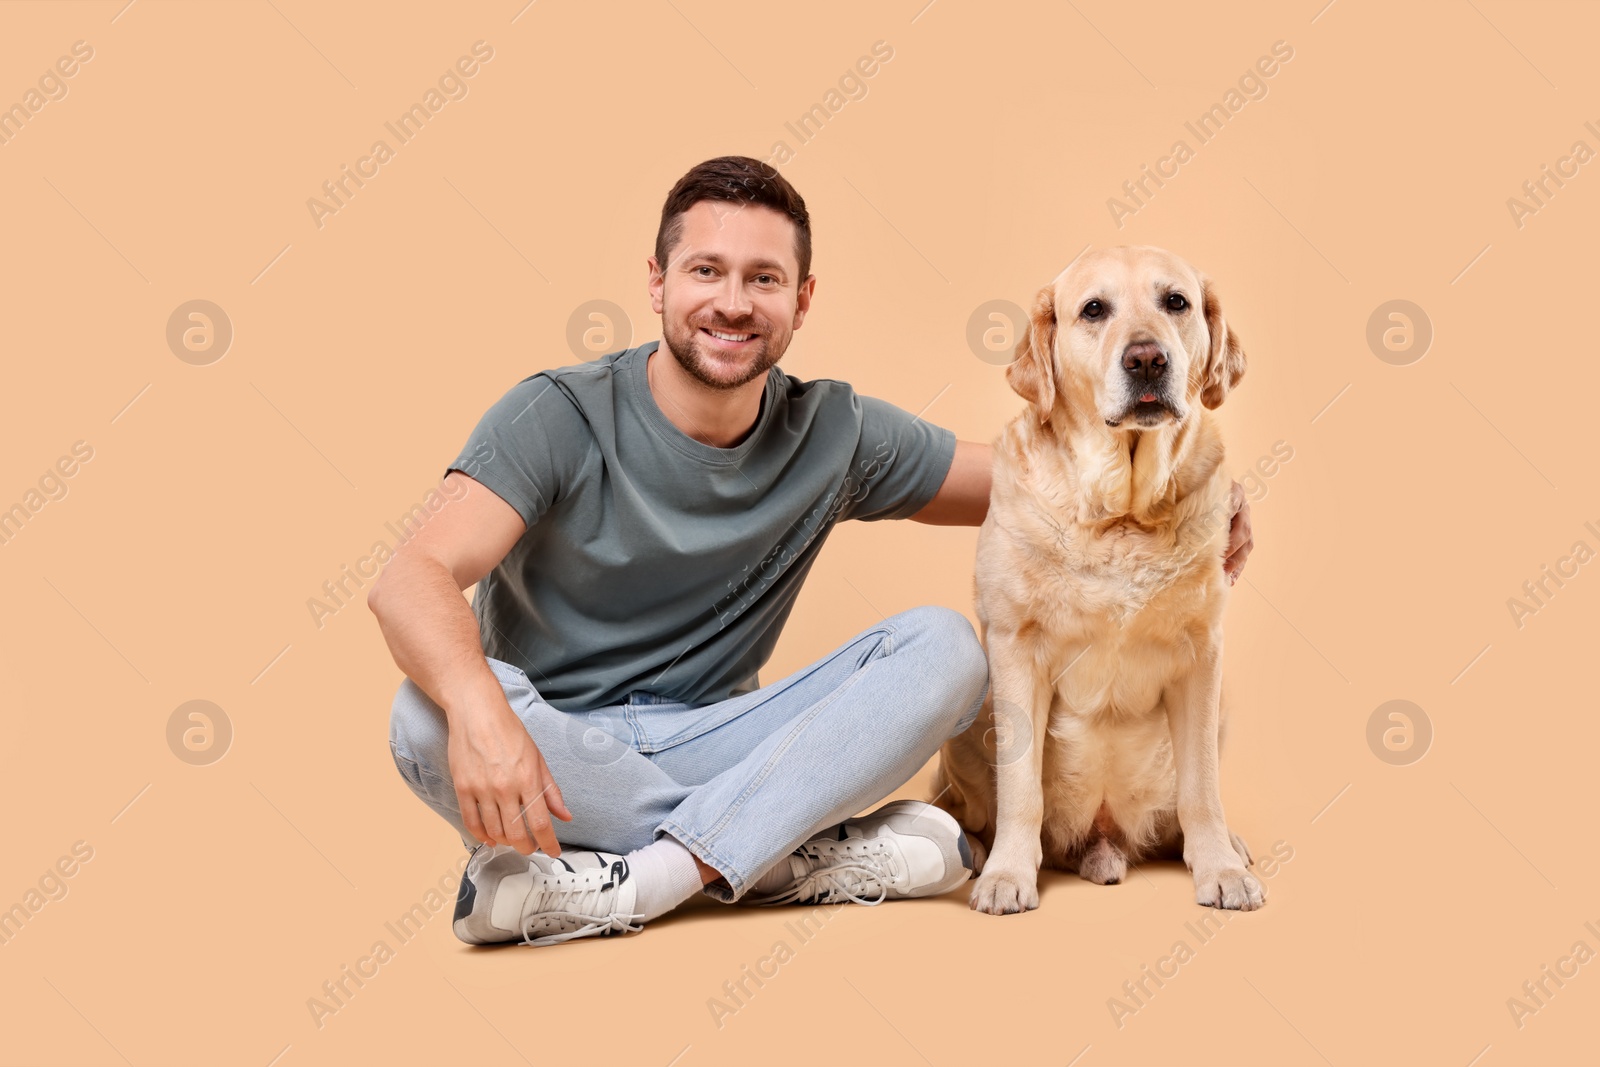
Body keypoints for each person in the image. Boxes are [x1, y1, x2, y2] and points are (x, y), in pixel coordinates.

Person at [370, 155, 1255, 947]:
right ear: (656, 282)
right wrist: (483, 714)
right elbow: (409, 578)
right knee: (423, 717)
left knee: (948, 650)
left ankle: (643, 878)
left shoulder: (834, 431)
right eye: (705, 270)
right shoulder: (555, 414)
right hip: (558, 752)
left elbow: (1042, 469)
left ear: (802, 299)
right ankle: (779, 854)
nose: (731, 302)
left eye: (764, 277)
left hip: (725, 741)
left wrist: (1202, 497)